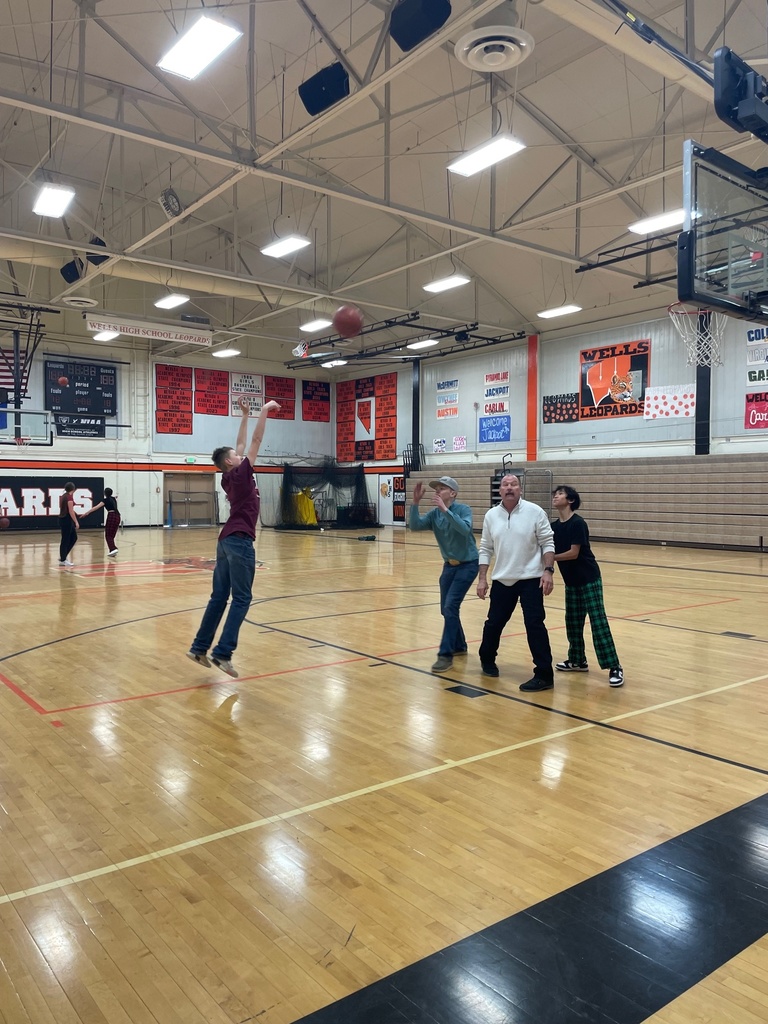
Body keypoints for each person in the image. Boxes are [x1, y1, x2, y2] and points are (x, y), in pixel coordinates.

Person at [187, 396, 281, 677]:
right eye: (236, 455)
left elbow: (240, 445)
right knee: (241, 598)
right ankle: (222, 652)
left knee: (219, 597)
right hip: (239, 540)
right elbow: (255, 441)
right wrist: (263, 411)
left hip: (226, 540)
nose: (241, 454)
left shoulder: (230, 474)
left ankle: (198, 647)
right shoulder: (240, 475)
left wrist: (244, 414)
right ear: (231, 462)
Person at [476, 474, 556, 691]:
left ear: (520, 489)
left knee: (535, 625)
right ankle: (487, 658)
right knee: (494, 623)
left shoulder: (535, 511)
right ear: (499, 490)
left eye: (513, 484)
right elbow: (485, 548)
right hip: (502, 579)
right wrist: (482, 578)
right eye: (505, 485)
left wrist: (548, 571)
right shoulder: (491, 515)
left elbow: (548, 543)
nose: (509, 488)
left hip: (531, 579)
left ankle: (544, 674)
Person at [551, 485, 624, 687]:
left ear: (571, 500)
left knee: (598, 622)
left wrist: (549, 559)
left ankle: (614, 666)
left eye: (560, 494)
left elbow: (573, 553)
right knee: (572, 622)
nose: (555, 496)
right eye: (555, 494)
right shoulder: (554, 526)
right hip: (571, 582)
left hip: (589, 578)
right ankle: (577, 660)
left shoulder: (578, 523)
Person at [409, 475, 479, 673]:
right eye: (436, 488)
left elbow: (465, 529)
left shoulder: (463, 509)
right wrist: (415, 503)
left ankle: (445, 655)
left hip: (468, 564)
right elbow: (415, 526)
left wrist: (445, 510)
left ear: (453, 493)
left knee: (450, 606)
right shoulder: (434, 514)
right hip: (449, 566)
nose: (437, 491)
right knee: (445, 609)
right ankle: (459, 645)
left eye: (442, 488)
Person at [83, 487, 121, 556]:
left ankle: (113, 549)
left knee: (108, 535)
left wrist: (87, 513)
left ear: (105, 493)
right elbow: (114, 498)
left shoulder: (105, 500)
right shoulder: (113, 499)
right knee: (112, 534)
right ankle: (113, 549)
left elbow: (96, 507)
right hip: (118, 516)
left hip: (111, 515)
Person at [58, 481, 79, 566]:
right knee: (65, 539)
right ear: (73, 489)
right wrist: (76, 522)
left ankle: (63, 556)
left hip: (63, 519)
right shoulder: (69, 498)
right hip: (66, 520)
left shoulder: (63, 496)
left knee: (73, 537)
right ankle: (63, 559)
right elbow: (70, 511)